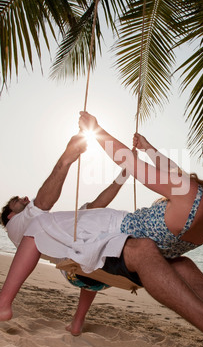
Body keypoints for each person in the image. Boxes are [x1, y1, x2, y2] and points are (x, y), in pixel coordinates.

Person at [0, 111, 203, 347]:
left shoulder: (189, 191)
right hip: (141, 259)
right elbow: (174, 173)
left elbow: (129, 163)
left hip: (114, 234)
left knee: (37, 227)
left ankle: (3, 304)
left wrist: (95, 129)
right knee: (185, 267)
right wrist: (149, 148)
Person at [0, 131, 130, 335]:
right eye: (17, 200)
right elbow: (43, 202)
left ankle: (77, 322)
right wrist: (65, 160)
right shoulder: (16, 226)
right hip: (90, 273)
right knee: (82, 255)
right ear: (9, 216)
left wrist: (125, 173)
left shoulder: (56, 225)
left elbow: (99, 204)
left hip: (91, 273)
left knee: (87, 241)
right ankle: (4, 304)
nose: (24, 198)